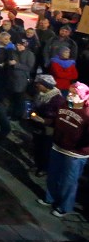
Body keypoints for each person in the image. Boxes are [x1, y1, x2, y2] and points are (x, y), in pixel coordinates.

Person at [37, 82, 89, 218]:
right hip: (58, 146)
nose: (70, 96)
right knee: (53, 175)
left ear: (83, 96)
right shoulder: (67, 105)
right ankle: (50, 198)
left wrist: (76, 143)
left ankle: (64, 207)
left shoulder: (87, 113)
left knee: (69, 181)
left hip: (75, 154)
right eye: (70, 92)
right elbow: (59, 120)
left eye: (74, 94)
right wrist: (44, 121)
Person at [29, 75, 65, 177]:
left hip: (48, 130)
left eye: (39, 84)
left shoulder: (58, 100)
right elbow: (35, 106)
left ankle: (44, 168)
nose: (36, 85)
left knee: (45, 149)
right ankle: (37, 164)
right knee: (37, 147)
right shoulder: (40, 94)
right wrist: (32, 112)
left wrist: (44, 120)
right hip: (37, 127)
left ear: (46, 85)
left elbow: (59, 117)